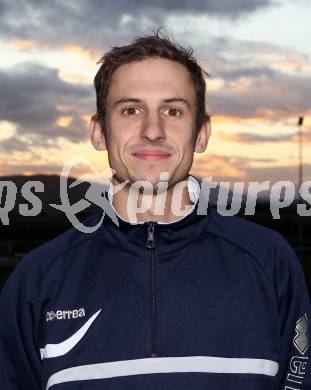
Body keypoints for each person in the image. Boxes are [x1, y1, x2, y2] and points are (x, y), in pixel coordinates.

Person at [0, 29, 310, 390]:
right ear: (99, 132)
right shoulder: (39, 278)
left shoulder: (269, 262)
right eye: (131, 110)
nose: (153, 130)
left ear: (201, 133)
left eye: (173, 110)